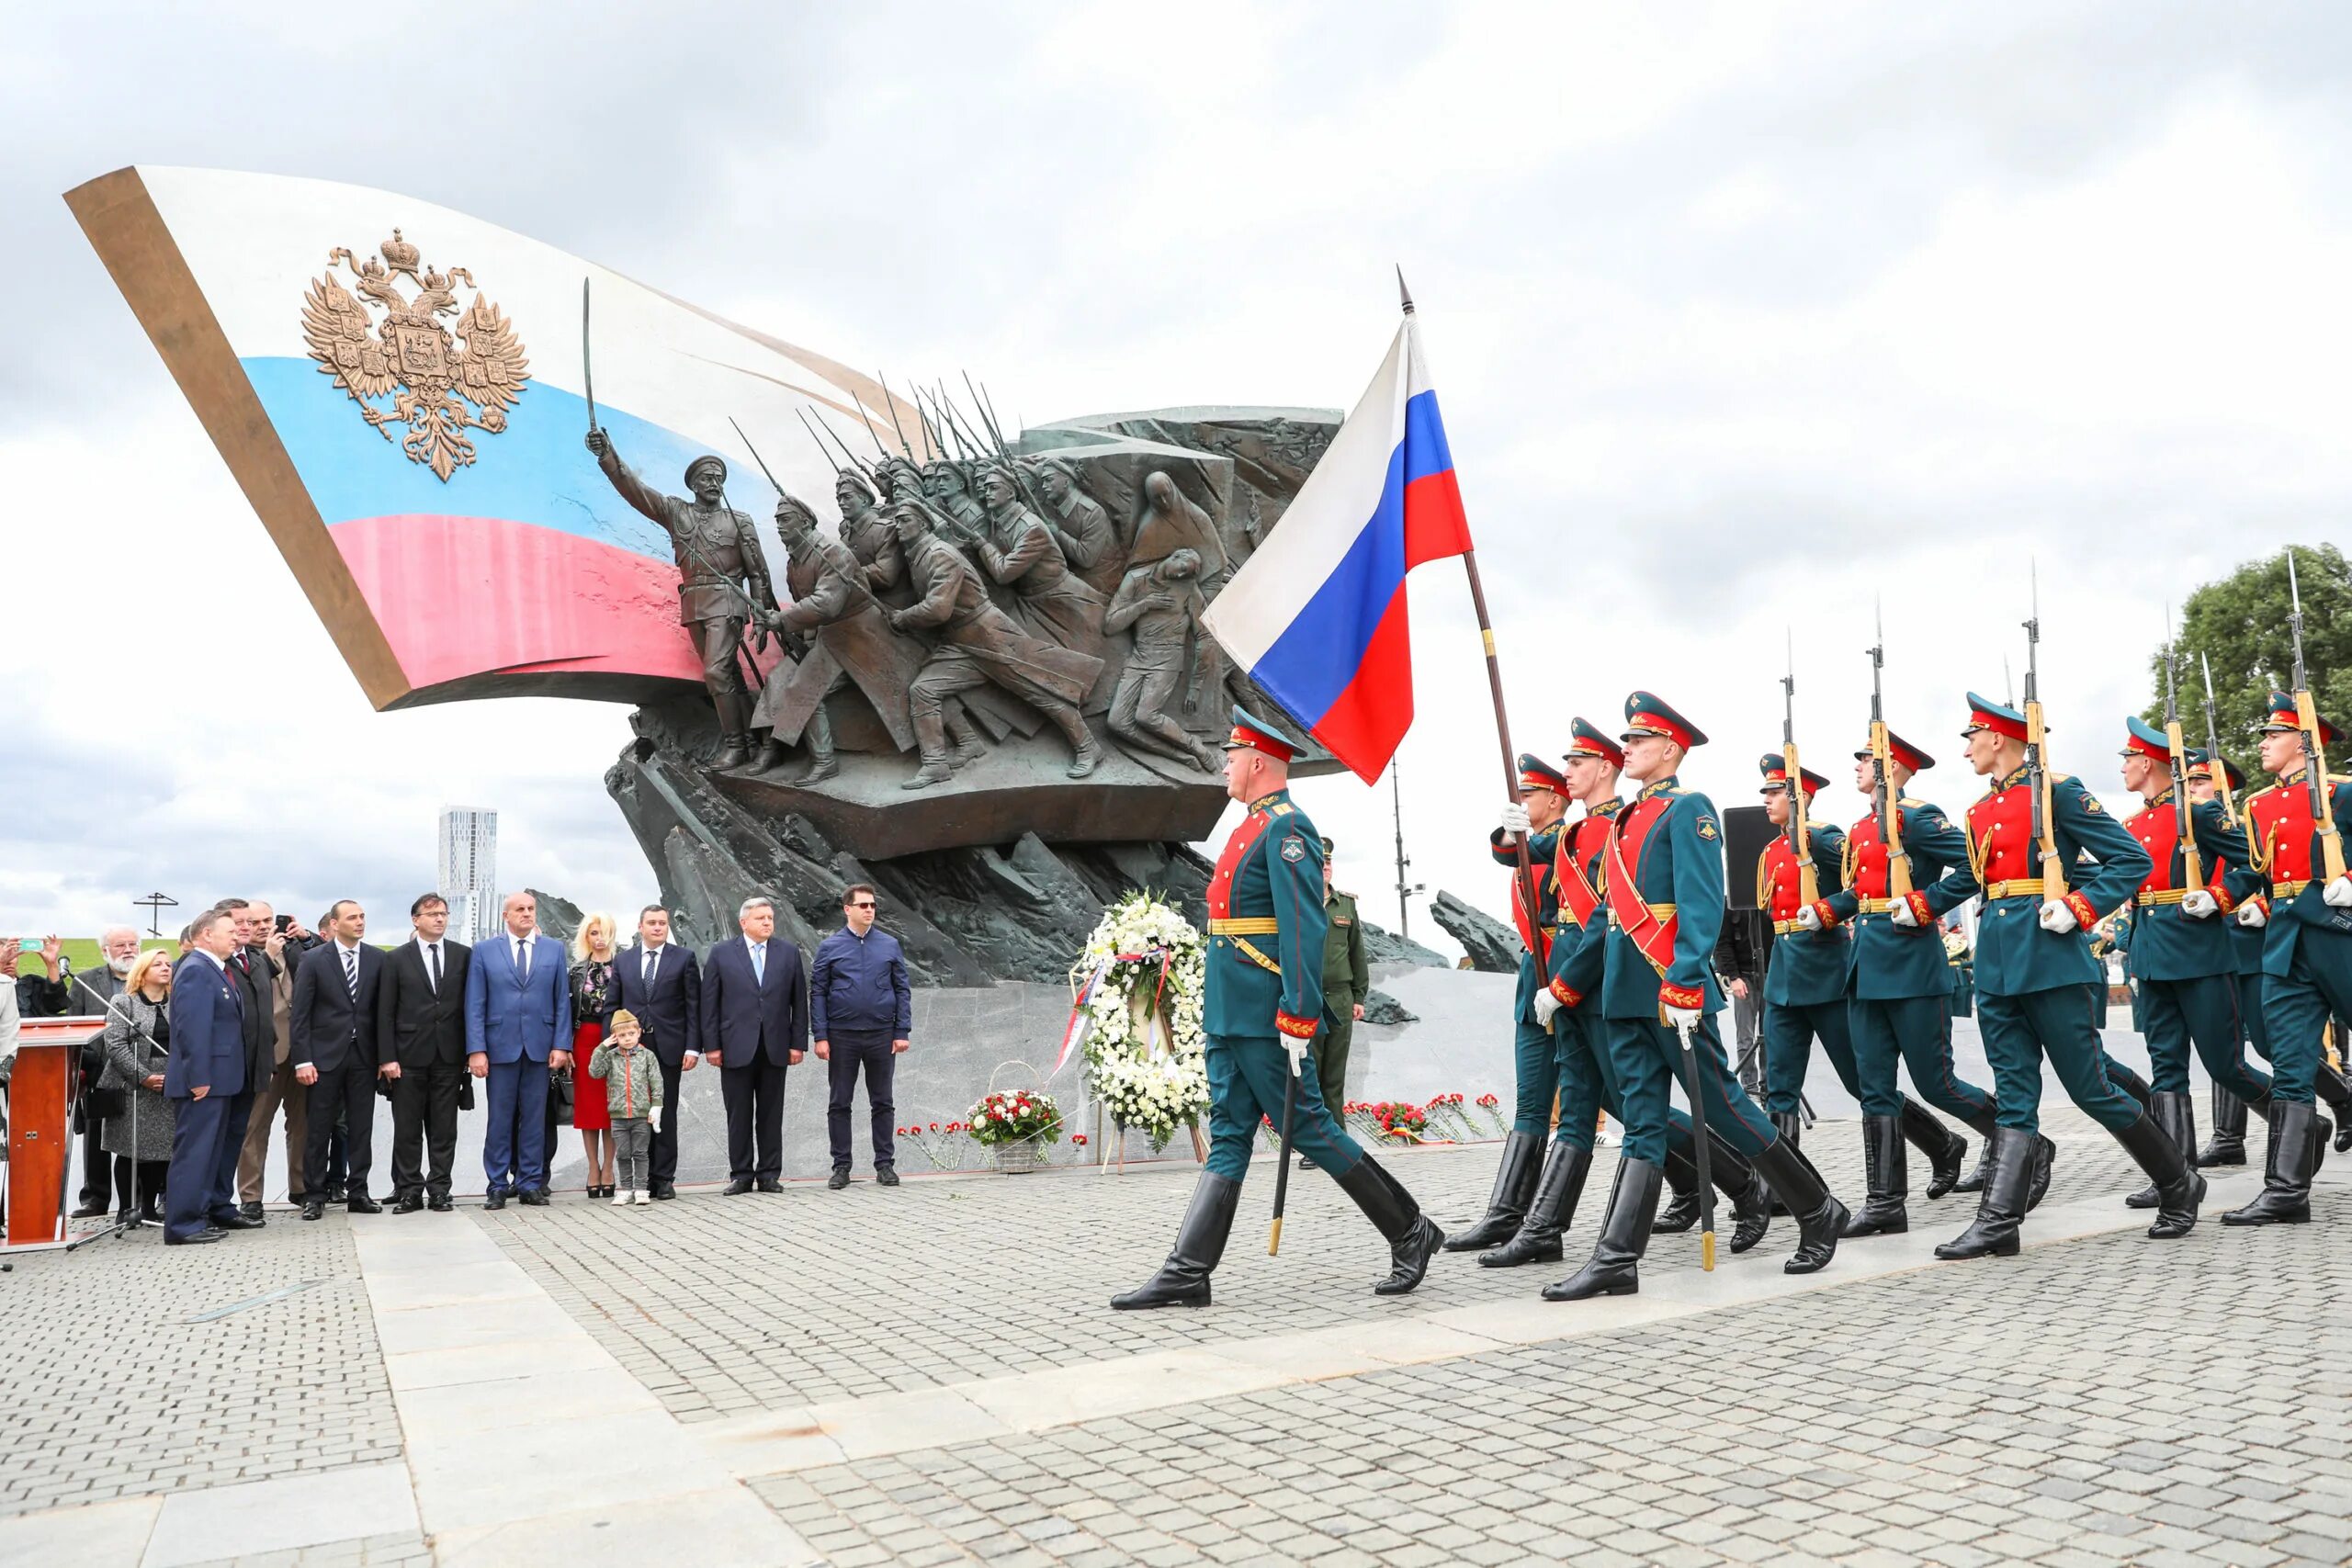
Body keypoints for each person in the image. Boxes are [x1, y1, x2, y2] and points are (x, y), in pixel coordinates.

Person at [1113, 707, 1442, 1310]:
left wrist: (1298, 1013)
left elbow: (1301, 927)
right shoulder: (1248, 827)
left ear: (1258, 761)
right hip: (1232, 1012)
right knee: (1231, 1133)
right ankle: (1188, 1270)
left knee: (1311, 1128)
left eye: (1232, 756)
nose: (1225, 765)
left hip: (1267, 1014)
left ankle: (1412, 1230)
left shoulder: (1289, 829)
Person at [1545, 694, 1849, 1300]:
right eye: (1625, 740)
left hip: (1670, 988)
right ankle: (1616, 1258)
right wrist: (1579, 983)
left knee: (1727, 1107)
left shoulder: (1690, 811)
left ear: (1670, 748)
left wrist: (1685, 978)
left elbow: (1704, 904)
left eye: (1637, 739)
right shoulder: (1628, 820)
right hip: (1627, 991)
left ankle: (1818, 1209)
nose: (1625, 748)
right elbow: (1610, 912)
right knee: (1643, 1121)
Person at [1926, 694, 2193, 1258]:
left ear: (1999, 738)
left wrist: (2081, 906)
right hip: (1997, 964)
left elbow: (2130, 860)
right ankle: (1999, 1220)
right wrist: (1916, 904)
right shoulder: (1977, 811)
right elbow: (1974, 881)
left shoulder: (2059, 792)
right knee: (2014, 1096)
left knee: (2090, 1089)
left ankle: (2178, 1181)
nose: (1968, 746)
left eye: (1972, 735)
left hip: (2050, 959)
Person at [1797, 730, 1986, 1229]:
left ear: (1892, 767)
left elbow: (1973, 865)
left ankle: (2020, 1143)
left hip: (1912, 969)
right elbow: (1863, 893)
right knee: (1874, 1089)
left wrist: (1928, 903)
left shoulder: (1918, 818)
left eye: (1866, 759)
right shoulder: (1861, 828)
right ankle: (1885, 1204)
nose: (1857, 766)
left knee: (1936, 1084)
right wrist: (1825, 910)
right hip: (1867, 970)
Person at [2114, 717, 2269, 1208]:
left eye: (2127, 759)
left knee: (2226, 1065)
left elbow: (2252, 861)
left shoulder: (2198, 814)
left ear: (2147, 762)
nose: (2122, 767)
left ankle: (2298, 1126)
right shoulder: (2133, 824)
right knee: (2166, 1070)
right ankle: (2176, 1177)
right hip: (2153, 957)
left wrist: (2220, 896)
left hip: (2200, 954)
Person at [2222, 693, 2352, 1224]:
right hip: (2287, 941)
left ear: (2304, 741)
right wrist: (2228, 898)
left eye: (2273, 735)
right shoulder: (2257, 805)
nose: (2262, 744)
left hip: (2340, 933)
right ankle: (2286, 1190)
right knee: (2290, 1063)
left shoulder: (2342, 793)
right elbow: (2256, 872)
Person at [584, 433, 777, 769]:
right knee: (727, 674)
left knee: (716, 673)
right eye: (707, 478)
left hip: (728, 600)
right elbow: (636, 492)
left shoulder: (739, 520)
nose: (714, 483)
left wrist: (760, 616)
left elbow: (758, 572)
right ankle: (753, 741)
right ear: (694, 485)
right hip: (695, 604)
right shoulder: (677, 512)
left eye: (719, 478)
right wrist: (608, 457)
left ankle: (736, 745)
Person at [1446, 754, 1573, 1253]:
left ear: (1555, 800)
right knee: (1532, 1103)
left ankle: (1707, 1181)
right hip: (1533, 980)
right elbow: (1505, 852)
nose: (1519, 802)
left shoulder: (1567, 843)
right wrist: (1505, 832)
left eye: (1529, 795)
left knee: (1622, 1104)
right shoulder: (1528, 845)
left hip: (1568, 978)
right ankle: (1506, 1215)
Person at [465, 892, 573, 1209]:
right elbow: (475, 1003)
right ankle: (497, 1185)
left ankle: (529, 1183)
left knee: (535, 1119)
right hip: (499, 1049)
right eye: (520, 910)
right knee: (499, 1119)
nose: (527, 914)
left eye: (531, 909)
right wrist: (476, 1049)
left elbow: (561, 1001)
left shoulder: (553, 949)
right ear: (506, 916)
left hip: (541, 1048)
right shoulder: (484, 951)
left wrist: (561, 1045)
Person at [700, 896, 808, 1193]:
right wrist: (711, 1046)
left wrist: (797, 1043)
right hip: (734, 1046)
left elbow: (798, 1001)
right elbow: (710, 1003)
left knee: (772, 1113)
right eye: (761, 918)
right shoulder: (722, 953)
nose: (767, 923)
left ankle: (769, 1174)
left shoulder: (787, 953)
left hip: (775, 1045)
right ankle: (742, 1174)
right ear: (744, 922)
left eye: (770, 918)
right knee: (738, 1113)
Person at [290, 900, 387, 1221]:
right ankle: (314, 1195)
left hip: (364, 1057)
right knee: (318, 1127)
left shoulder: (376, 959)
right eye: (352, 918)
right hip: (324, 1057)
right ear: (334, 924)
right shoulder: (314, 959)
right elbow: (300, 1014)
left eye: (362, 917)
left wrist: (385, 1057)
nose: (360, 922)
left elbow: (382, 1013)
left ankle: (358, 1191)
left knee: (360, 1128)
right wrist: (302, 1060)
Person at [812, 885, 912, 1190]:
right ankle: (841, 1165)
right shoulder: (830, 947)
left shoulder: (889, 945)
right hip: (842, 1036)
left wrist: (902, 1030)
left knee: (883, 1101)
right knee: (839, 1102)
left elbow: (901, 989)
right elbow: (817, 992)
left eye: (872, 906)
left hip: (882, 1035)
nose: (869, 910)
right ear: (848, 909)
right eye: (863, 905)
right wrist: (820, 1035)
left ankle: (884, 1165)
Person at [377, 894, 471, 1213]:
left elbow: (468, 1008)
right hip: (407, 1056)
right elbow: (385, 1011)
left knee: (444, 1128)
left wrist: (471, 1052)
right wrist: (387, 1057)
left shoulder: (462, 956)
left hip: (448, 1055)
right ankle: (410, 1190)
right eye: (431, 914)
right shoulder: (395, 959)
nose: (439, 919)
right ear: (416, 920)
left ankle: (440, 1189)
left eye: (443, 913)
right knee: (407, 1128)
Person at [162, 910, 248, 1246]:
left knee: (209, 1152)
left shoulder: (217, 969)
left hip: (221, 1080)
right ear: (206, 934)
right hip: (203, 1082)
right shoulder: (196, 969)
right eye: (229, 931)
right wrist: (198, 1077)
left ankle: (197, 1217)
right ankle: (182, 1225)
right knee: (194, 1153)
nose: (237, 936)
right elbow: (191, 1028)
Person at [607, 906, 700, 1201]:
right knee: (633, 1114)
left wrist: (692, 1047)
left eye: (662, 923)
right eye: (652, 923)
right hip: (630, 1051)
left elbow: (693, 1007)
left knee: (663, 1113)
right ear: (640, 926)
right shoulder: (623, 961)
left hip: (670, 1048)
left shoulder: (683, 958)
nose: (658, 927)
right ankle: (639, 1180)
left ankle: (663, 1179)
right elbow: (612, 1006)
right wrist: (610, 1044)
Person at [233, 902, 308, 1220]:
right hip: (265, 1054)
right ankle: (251, 1197)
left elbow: (325, 957)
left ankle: (302, 1187)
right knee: (255, 1127)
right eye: (255, 921)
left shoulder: (293, 948)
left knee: (303, 1123)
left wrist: (305, 938)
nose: (263, 926)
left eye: (268, 920)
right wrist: (267, 953)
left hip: (302, 1052)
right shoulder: (242, 958)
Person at [62, 927, 139, 1218]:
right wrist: (84, 1065)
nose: (129, 949)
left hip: (138, 1070)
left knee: (136, 1136)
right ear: (105, 950)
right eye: (121, 945)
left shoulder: (148, 978)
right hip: (98, 1070)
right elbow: (74, 1026)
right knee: (96, 1137)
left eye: (133, 944)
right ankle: (95, 1197)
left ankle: (137, 1199)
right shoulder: (85, 981)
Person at [211, 902, 277, 1228]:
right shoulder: (213, 965)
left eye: (251, 923)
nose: (247, 928)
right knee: (225, 1138)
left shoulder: (256, 961)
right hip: (225, 1067)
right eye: (240, 923)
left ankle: (222, 1206)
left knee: (237, 1134)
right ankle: (217, 1204)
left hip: (258, 1064)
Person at [100, 949, 176, 1224]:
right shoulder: (124, 1003)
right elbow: (116, 1044)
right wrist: (143, 1076)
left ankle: (148, 1208)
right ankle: (125, 1208)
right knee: (130, 1148)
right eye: (157, 964)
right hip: (134, 1084)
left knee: (161, 1148)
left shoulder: (177, 1003)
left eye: (168, 964)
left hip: (169, 1081)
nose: (166, 968)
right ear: (142, 971)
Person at [1309, 837, 1368, 1168]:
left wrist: (1359, 996)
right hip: (1310, 999)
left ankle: (1336, 1142)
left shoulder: (1346, 904)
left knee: (1334, 1075)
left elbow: (1357, 952)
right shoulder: (1299, 902)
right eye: (1320, 863)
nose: (1326, 868)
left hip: (1341, 999)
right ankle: (1315, 1144)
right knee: (1312, 1075)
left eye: (1329, 863)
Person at [568, 915, 621, 1200]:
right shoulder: (576, 969)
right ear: (585, 936)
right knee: (588, 1110)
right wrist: (565, 1048)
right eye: (593, 932)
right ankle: (592, 1167)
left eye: (604, 932)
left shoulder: (624, 965)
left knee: (611, 1108)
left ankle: (609, 1169)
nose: (599, 937)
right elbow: (566, 1009)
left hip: (615, 1039)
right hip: (584, 1039)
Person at [589, 1009, 663, 1205]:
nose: (628, 1039)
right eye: (622, 1035)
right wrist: (602, 1048)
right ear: (615, 1037)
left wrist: (656, 1106)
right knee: (622, 1154)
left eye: (631, 1034)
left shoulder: (647, 1056)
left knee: (640, 1153)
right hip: (618, 1115)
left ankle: (641, 1189)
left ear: (639, 1032)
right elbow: (595, 1072)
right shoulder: (611, 1056)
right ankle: (626, 1188)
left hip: (640, 1115)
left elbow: (656, 1082)